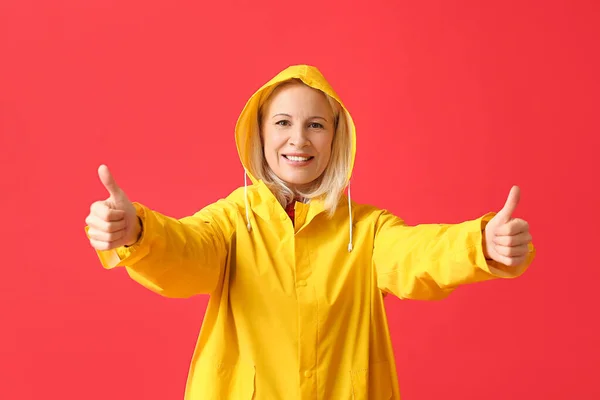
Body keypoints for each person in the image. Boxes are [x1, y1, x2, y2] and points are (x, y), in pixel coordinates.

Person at [85, 64, 536, 399]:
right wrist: (138, 231)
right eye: (282, 123)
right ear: (259, 134)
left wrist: (480, 244)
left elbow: (419, 254)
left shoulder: (367, 231)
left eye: (315, 125)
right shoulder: (230, 222)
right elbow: (186, 250)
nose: (298, 139)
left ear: (336, 138)